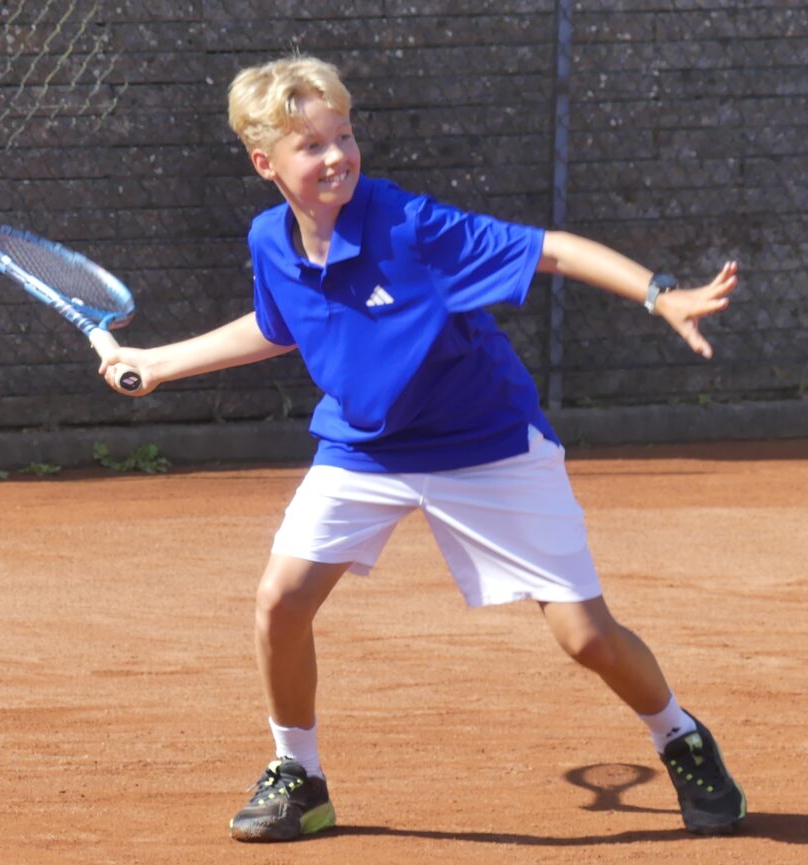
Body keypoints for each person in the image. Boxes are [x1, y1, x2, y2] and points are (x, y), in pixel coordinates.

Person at [98, 55, 746, 842]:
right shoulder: (270, 238)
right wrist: (160, 362)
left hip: (485, 442)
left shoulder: (412, 227)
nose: (336, 156)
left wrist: (658, 293)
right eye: (312, 145)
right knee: (280, 601)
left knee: (587, 637)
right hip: (365, 448)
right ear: (265, 163)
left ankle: (680, 736)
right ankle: (299, 775)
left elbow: (551, 250)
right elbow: (278, 325)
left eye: (344, 135)